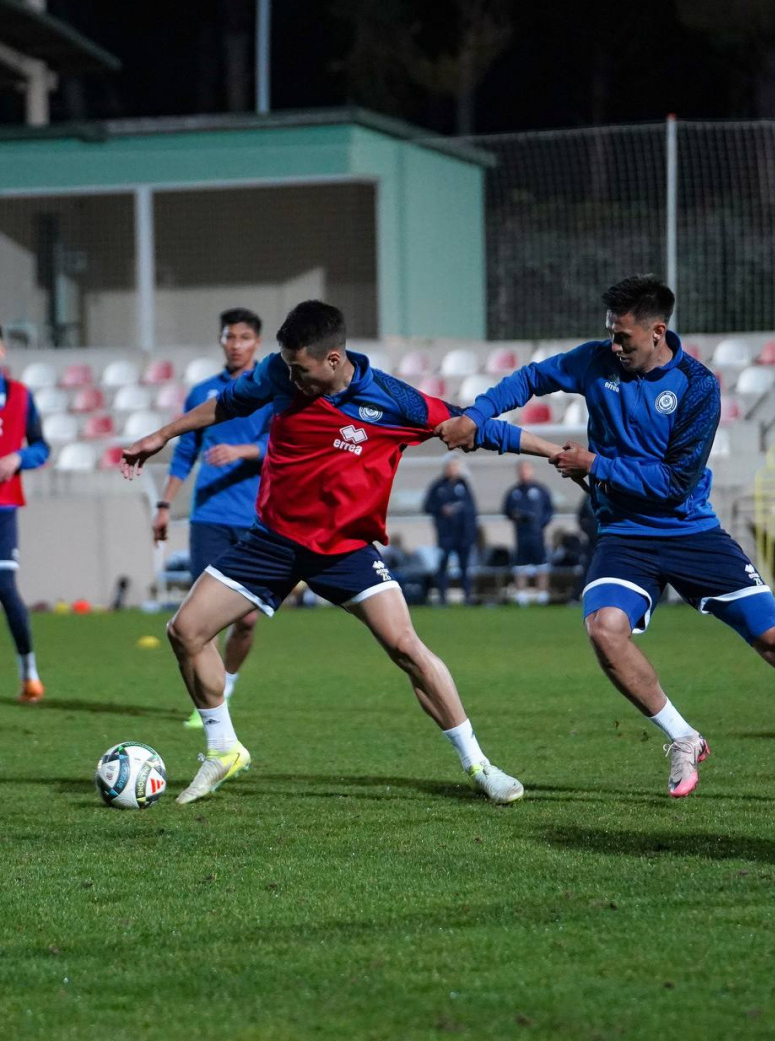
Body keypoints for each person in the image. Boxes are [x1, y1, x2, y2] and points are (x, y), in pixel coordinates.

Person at [438, 274, 775, 805]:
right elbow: (528, 379)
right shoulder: (595, 361)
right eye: (610, 334)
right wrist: (476, 415)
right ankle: (683, 736)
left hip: (691, 531)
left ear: (657, 331)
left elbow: (674, 483)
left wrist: (594, 464)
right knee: (604, 629)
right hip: (625, 535)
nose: (614, 346)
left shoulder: (697, 386)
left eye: (624, 337)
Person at [122, 300, 559, 806]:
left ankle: (480, 765)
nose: (291, 377)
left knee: (407, 648)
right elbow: (229, 404)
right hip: (273, 541)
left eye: (300, 369)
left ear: (333, 359)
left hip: (344, 550)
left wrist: (553, 452)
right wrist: (161, 435)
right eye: (287, 367)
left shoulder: (394, 400)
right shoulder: (278, 373)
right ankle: (223, 749)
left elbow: (476, 428)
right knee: (185, 630)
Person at [153, 308, 271, 727]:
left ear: (257, 343)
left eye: (244, 337)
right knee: (205, 618)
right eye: (229, 337)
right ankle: (211, 703)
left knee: (248, 620)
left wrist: (241, 451)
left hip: (257, 517)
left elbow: (282, 444)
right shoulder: (203, 392)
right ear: (221, 341)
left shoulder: (271, 390)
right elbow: (185, 452)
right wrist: (164, 505)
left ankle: (227, 683)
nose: (235, 345)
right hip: (209, 517)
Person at [0, 327, 50, 702]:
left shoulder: (20, 395)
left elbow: (42, 447)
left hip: (4, 506)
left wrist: (18, 458)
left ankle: (28, 672)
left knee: (5, 586)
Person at [423, 457, 477, 605]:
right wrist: (441, 510)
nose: (452, 470)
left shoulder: (464, 485)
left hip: (463, 535)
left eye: (455, 467)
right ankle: (442, 597)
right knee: (443, 565)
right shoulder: (438, 486)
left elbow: (471, 509)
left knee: (464, 566)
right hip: (445, 534)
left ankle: (467, 596)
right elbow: (427, 506)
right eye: (450, 467)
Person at [502, 460, 554, 606]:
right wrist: (516, 516)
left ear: (531, 471)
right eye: (521, 470)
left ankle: (543, 595)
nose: (524, 473)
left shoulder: (540, 490)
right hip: (521, 535)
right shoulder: (514, 492)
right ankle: (521, 596)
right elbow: (506, 510)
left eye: (526, 470)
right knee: (520, 565)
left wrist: (540, 523)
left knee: (542, 564)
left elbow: (549, 510)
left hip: (537, 535)